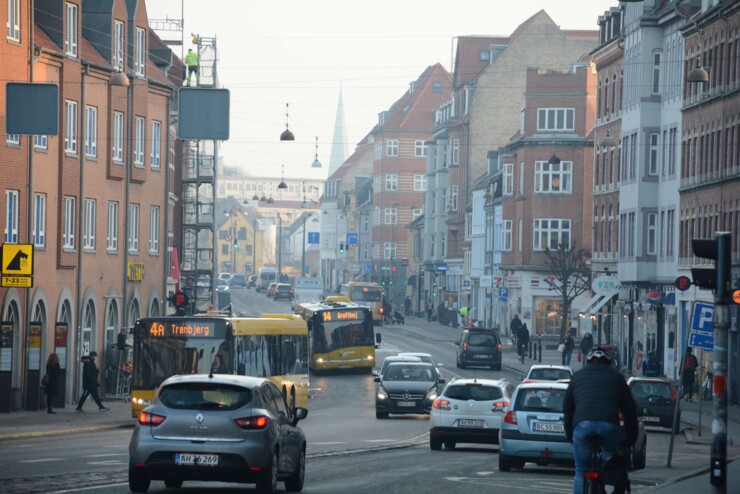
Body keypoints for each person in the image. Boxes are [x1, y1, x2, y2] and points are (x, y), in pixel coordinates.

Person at [564, 346, 639, 494]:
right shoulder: (617, 378)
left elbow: (567, 409)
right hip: (608, 425)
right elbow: (630, 411)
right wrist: (630, 439)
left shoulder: (577, 377)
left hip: (582, 425)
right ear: (609, 362)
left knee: (580, 471)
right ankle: (606, 472)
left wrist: (569, 433)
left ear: (589, 361)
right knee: (609, 464)